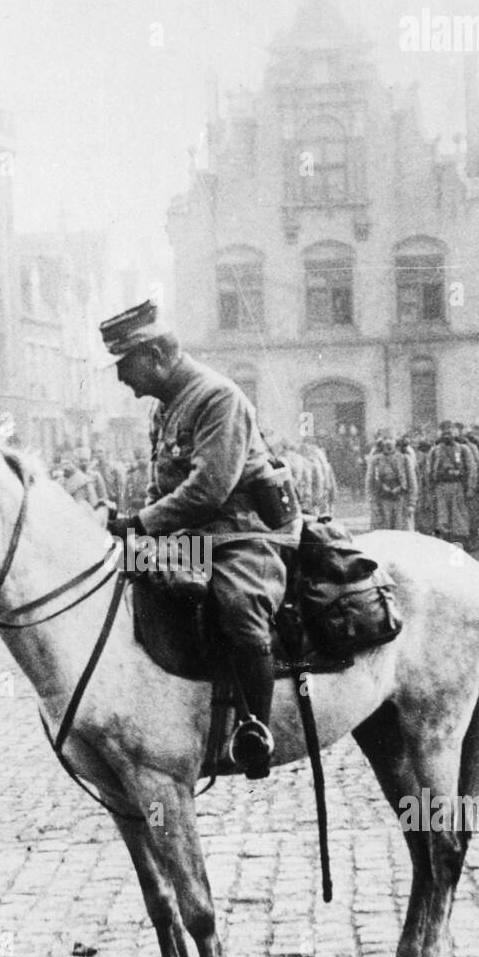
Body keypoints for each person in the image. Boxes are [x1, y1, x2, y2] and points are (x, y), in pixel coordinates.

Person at [100, 299, 301, 780]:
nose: (123, 381)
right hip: (191, 535)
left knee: (238, 607)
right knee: (125, 584)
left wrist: (143, 523)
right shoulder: (165, 408)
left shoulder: (218, 398)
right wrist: (137, 532)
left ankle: (255, 729)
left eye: (126, 366)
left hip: (241, 532)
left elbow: (210, 489)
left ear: (156, 356)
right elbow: (161, 483)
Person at [428, 421, 476, 549]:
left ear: (454, 433)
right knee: (443, 518)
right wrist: (431, 488)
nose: (447, 435)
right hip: (441, 487)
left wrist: (470, 488)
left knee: (459, 518)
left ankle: (458, 547)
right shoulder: (435, 451)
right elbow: (429, 471)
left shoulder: (463, 449)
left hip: (458, 486)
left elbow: (471, 469)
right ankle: (445, 546)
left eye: (449, 432)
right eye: (444, 432)